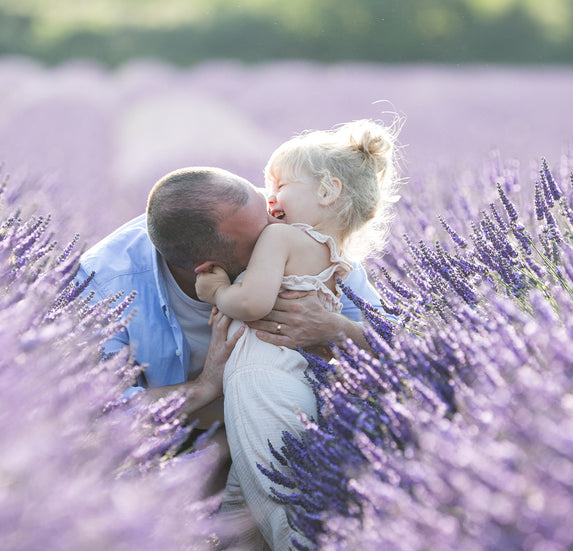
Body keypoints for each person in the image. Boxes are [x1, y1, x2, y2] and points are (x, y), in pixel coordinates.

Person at [194, 119, 398, 551]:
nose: (270, 198)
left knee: (276, 492)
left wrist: (218, 289)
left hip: (260, 373)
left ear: (327, 190)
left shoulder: (280, 239)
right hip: (296, 374)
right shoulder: (335, 254)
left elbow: (255, 304)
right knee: (244, 505)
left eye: (280, 185)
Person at [76, 167, 383, 427]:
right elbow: (101, 414)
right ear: (210, 269)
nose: (280, 227)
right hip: (177, 447)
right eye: (264, 235)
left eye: (269, 208)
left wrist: (336, 330)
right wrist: (205, 386)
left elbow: (396, 343)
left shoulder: (298, 223)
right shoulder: (101, 286)